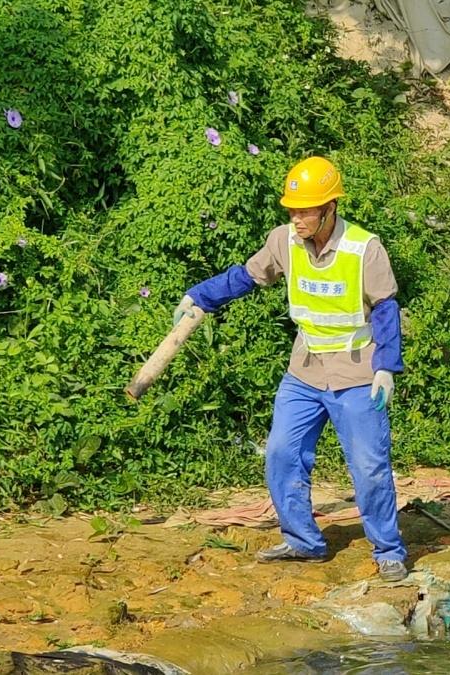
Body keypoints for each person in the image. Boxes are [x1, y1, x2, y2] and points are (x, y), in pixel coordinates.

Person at [173, 157, 408, 580]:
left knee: (369, 466)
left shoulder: (364, 249)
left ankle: (388, 549)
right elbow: (247, 276)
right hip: (304, 372)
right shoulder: (284, 241)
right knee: (282, 453)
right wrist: (200, 297)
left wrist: (386, 366)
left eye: (305, 210)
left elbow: (387, 309)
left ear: (330, 208)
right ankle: (303, 541)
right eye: (292, 210)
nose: (296, 218)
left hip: (358, 376)